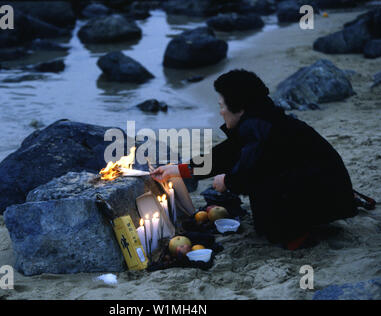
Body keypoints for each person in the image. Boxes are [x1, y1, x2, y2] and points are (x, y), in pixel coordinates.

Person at [151, 69, 357, 249]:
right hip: (330, 195)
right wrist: (179, 170)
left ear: (239, 108)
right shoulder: (261, 118)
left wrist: (227, 181)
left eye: (222, 105)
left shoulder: (259, 128)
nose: (220, 112)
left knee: (266, 206)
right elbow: (227, 154)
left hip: (326, 196)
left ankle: (297, 236)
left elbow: (250, 173)